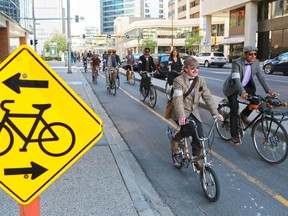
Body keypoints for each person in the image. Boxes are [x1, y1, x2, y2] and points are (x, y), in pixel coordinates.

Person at [171, 57, 223, 171]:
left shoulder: (201, 80)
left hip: (193, 112)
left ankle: (196, 159)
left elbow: (208, 97)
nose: (195, 70)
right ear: (186, 69)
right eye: (192, 68)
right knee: (189, 128)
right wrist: (181, 115)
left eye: (197, 68)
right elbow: (178, 99)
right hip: (180, 111)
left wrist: (215, 113)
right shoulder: (178, 81)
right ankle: (175, 140)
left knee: (200, 137)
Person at [223, 45, 276, 145]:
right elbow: (236, 79)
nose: (253, 56)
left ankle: (244, 115)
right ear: (244, 54)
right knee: (234, 109)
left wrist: (269, 90)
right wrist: (242, 92)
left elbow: (261, 78)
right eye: (250, 54)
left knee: (256, 101)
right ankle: (234, 135)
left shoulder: (256, 63)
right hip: (233, 87)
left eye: (255, 54)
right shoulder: (236, 63)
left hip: (246, 86)